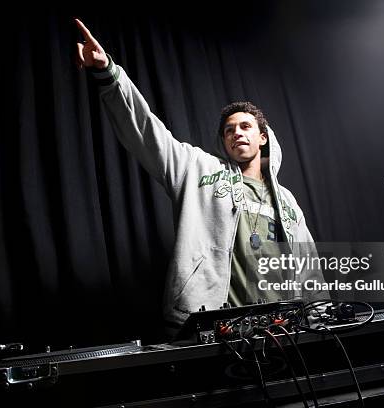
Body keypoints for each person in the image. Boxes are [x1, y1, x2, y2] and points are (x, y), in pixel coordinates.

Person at [74, 19, 327, 333]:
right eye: (228, 130)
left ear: (263, 137)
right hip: (214, 327)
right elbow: (146, 131)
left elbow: (309, 267)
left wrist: (319, 324)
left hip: (283, 330)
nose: (236, 134)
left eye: (245, 127)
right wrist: (109, 74)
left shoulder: (287, 200)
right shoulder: (197, 168)